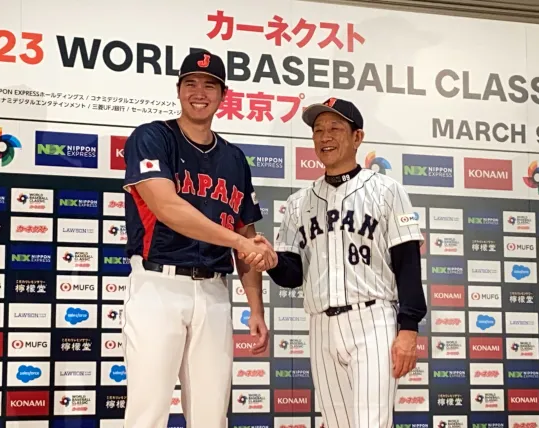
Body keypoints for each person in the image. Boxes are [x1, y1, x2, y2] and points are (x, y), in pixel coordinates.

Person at [241, 98, 428, 428]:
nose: (325, 137)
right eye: (318, 130)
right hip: (322, 327)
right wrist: (270, 262)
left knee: (370, 423)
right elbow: (293, 274)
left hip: (373, 320)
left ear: (357, 138)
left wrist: (409, 328)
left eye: (335, 128)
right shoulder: (299, 202)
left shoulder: (388, 190)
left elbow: (408, 262)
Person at [120, 50, 274, 428]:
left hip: (215, 292)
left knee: (210, 414)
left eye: (210, 85)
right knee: (148, 410)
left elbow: (245, 232)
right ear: (178, 90)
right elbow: (167, 207)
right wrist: (242, 245)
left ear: (224, 96)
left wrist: (255, 306)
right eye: (191, 83)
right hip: (158, 285)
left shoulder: (235, 159)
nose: (199, 92)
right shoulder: (152, 137)